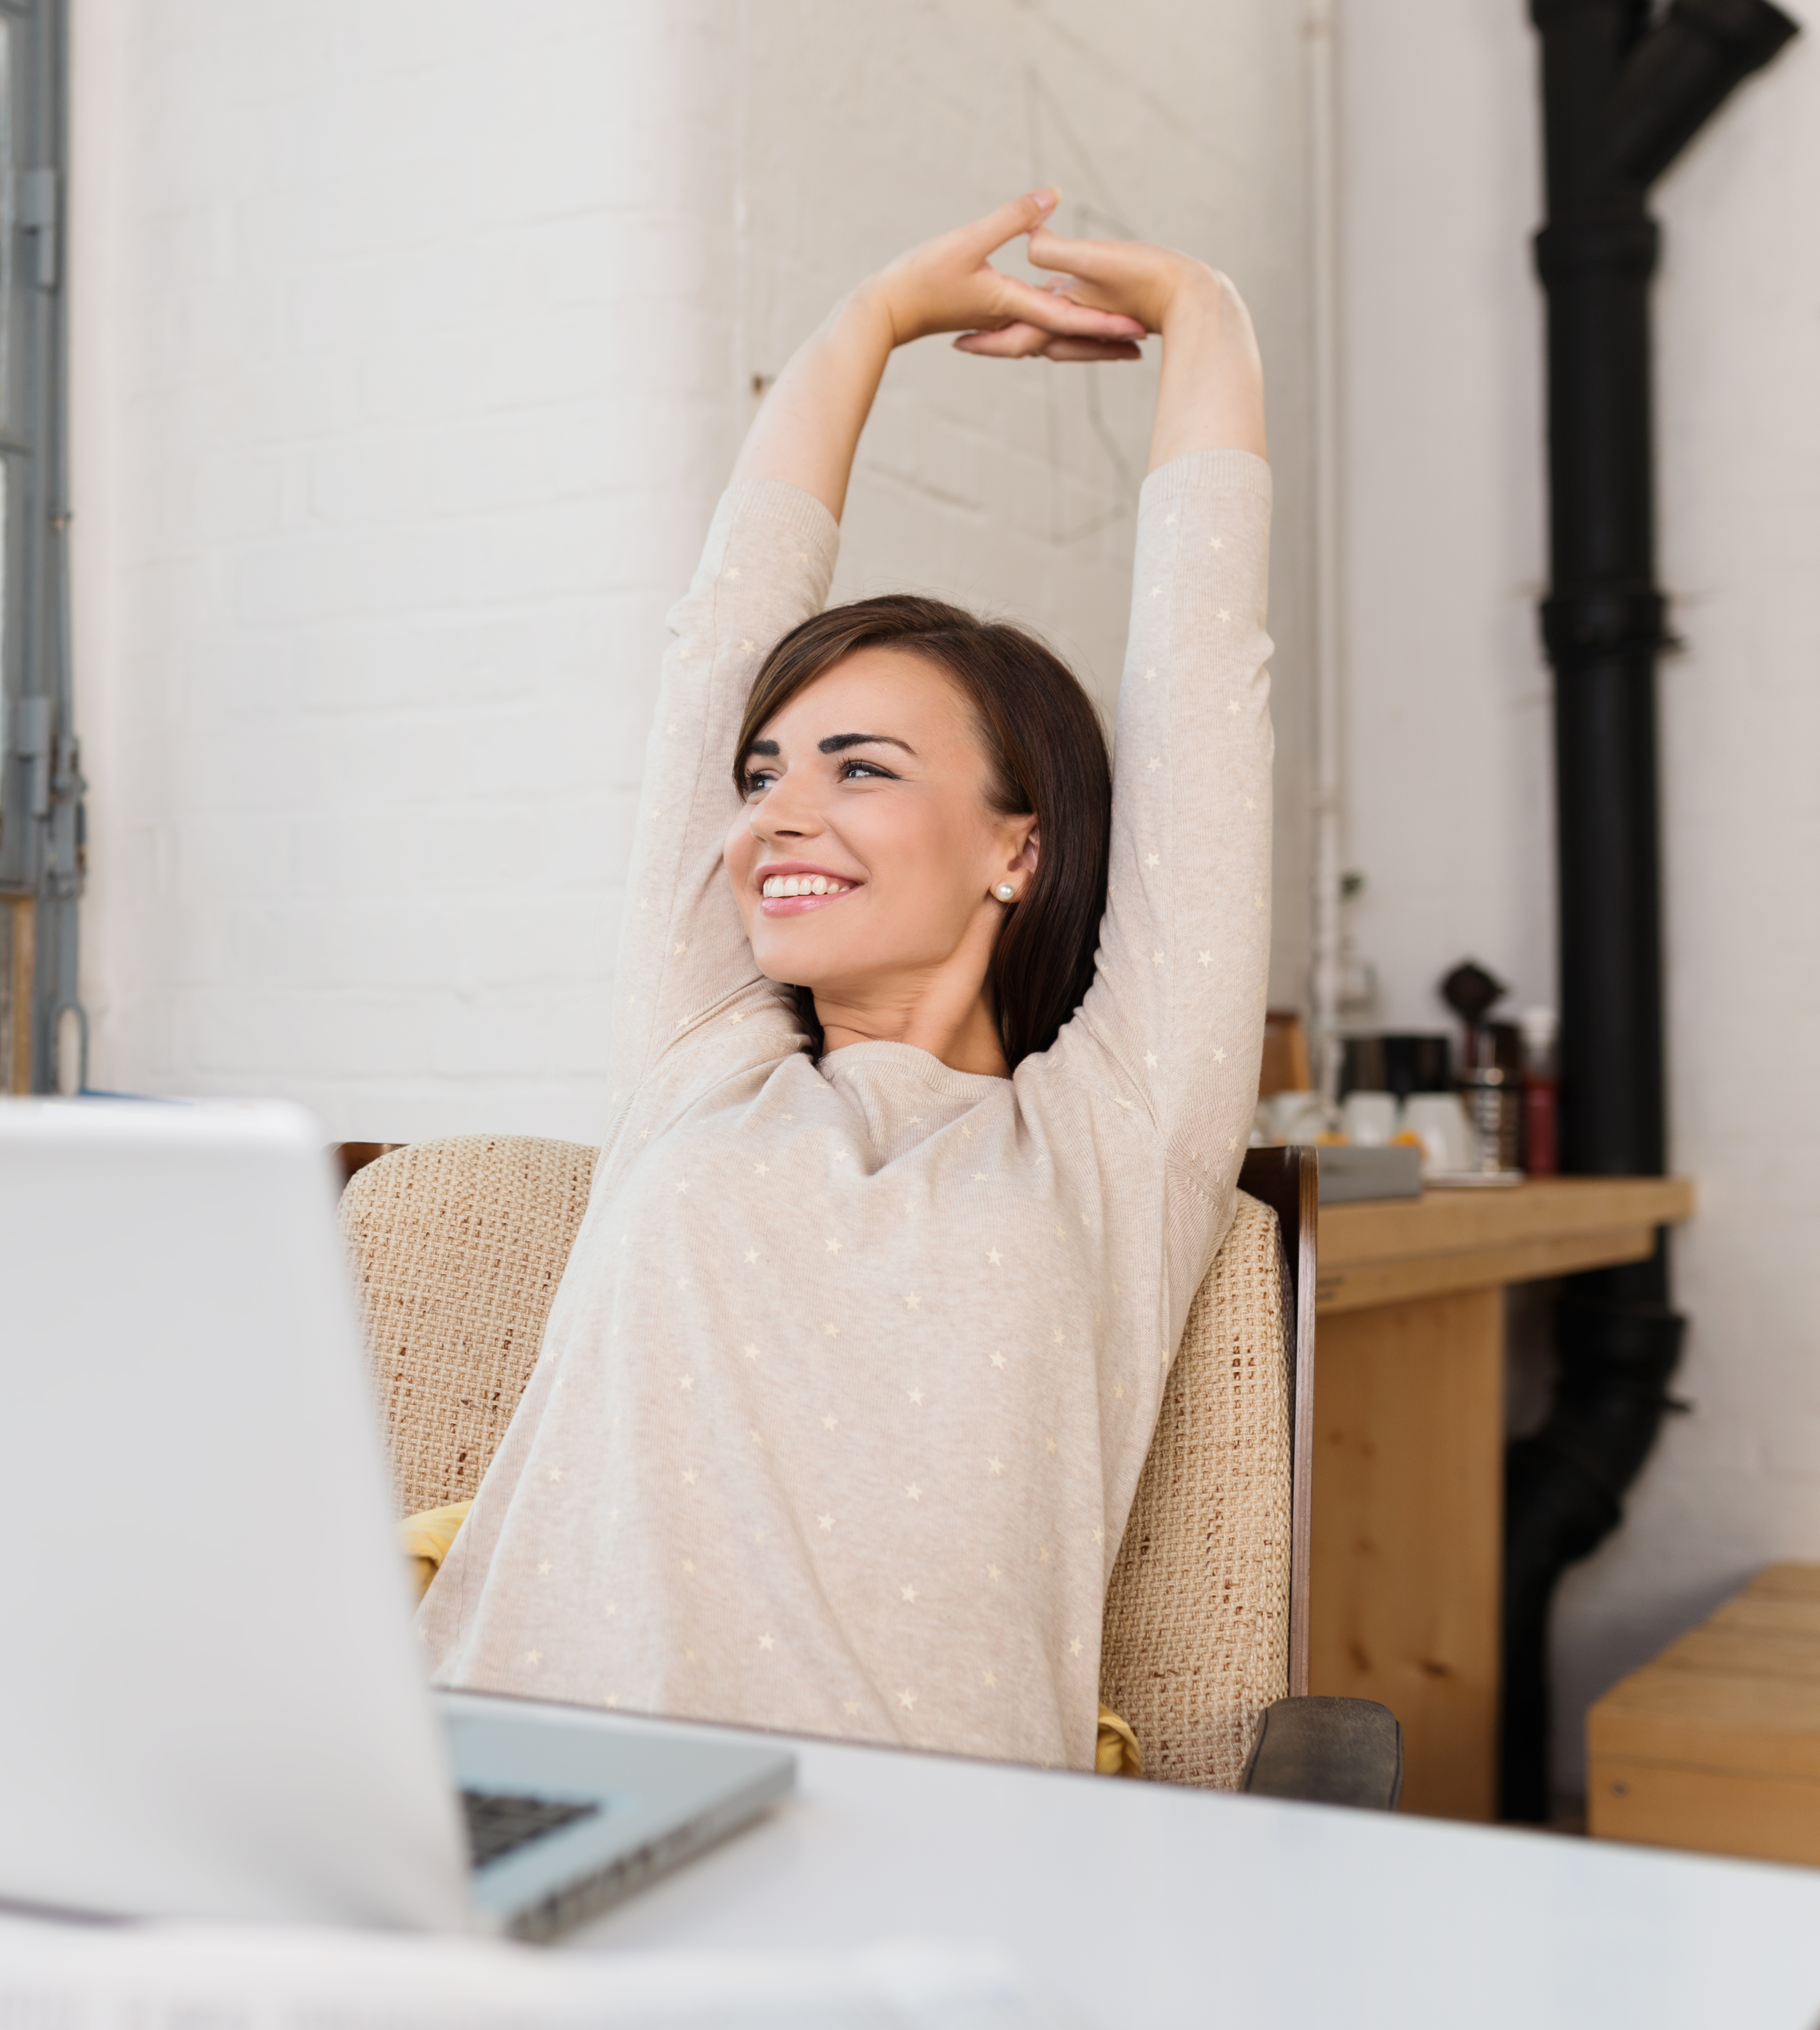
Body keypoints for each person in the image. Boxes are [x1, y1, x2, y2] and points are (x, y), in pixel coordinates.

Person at [412, 192, 1272, 1771]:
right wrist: (862, 324)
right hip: (511, 1793)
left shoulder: (1110, 1141)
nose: (774, 817)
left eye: (858, 768)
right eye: (760, 777)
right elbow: (710, 654)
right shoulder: (700, 1062)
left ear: (1019, 847)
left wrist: (1204, 317)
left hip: (918, 1868)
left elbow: (1206, 697)